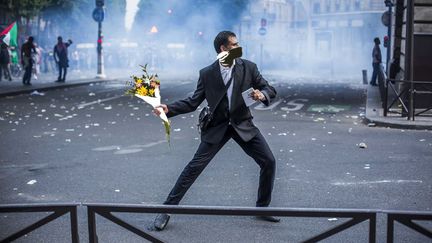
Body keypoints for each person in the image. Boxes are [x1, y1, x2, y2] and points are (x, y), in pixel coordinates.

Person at [152, 31, 279, 231]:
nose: (239, 47)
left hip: (242, 124)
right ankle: (165, 211)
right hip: (217, 127)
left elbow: (268, 88)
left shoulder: (248, 67)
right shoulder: (207, 73)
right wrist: (169, 109)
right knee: (193, 168)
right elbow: (194, 101)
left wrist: (261, 94)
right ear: (223, 49)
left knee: (269, 161)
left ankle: (262, 207)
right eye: (235, 44)